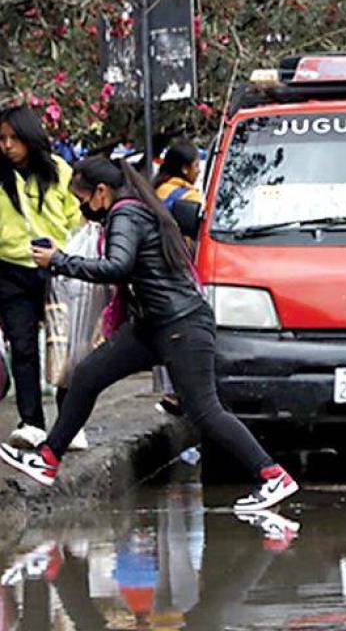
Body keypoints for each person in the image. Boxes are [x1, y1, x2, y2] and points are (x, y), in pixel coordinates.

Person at [0, 155, 299, 512]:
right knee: (87, 376)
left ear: (101, 192)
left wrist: (59, 261)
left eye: (83, 201)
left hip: (180, 326)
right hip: (152, 325)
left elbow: (117, 266)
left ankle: (272, 475)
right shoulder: (137, 209)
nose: (83, 210)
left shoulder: (126, 214)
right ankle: (49, 458)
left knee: (205, 411)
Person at [0, 105, 83, 450]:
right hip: (10, 268)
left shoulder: (60, 171)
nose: (6, 146)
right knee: (21, 346)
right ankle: (31, 421)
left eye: (14, 138)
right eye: (1, 139)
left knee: (64, 348)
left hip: (57, 267)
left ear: (30, 138)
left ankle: (69, 424)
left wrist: (67, 252)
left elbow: (75, 215)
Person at [151, 139, 203, 418]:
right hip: (180, 269)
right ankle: (184, 392)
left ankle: (169, 390)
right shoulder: (188, 196)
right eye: (196, 165)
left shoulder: (155, 190)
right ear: (184, 168)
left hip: (154, 270)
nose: (197, 171)